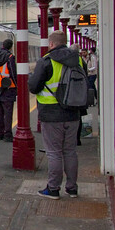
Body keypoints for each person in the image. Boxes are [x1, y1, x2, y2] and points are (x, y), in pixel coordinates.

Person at [28, 31, 83, 199]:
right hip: (73, 113)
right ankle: (72, 188)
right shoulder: (79, 60)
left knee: (54, 153)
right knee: (70, 151)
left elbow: (34, 87)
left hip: (51, 115)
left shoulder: (46, 61)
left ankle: (53, 189)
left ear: (51, 44)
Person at [0, 38, 17, 142]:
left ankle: (0, 134)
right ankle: (8, 135)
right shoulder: (10, 57)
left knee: (0, 113)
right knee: (8, 113)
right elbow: (13, 73)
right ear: (11, 47)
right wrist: (17, 86)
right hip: (8, 88)